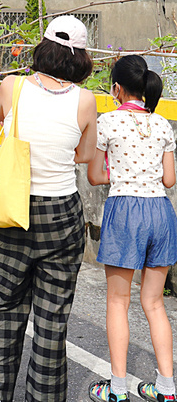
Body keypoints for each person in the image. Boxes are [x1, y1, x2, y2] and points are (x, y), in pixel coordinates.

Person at [0, 16, 99, 402]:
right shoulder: (86, 99)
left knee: (4, 310)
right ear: (81, 57)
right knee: (51, 320)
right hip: (61, 214)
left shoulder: (12, 86)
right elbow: (85, 155)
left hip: (11, 210)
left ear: (43, 47)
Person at [85, 55, 177, 402]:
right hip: (161, 212)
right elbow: (169, 179)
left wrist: (120, 175)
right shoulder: (163, 124)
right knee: (154, 303)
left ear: (117, 89)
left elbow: (94, 176)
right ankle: (167, 389)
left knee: (117, 302)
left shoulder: (106, 122)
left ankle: (118, 390)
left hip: (126, 210)